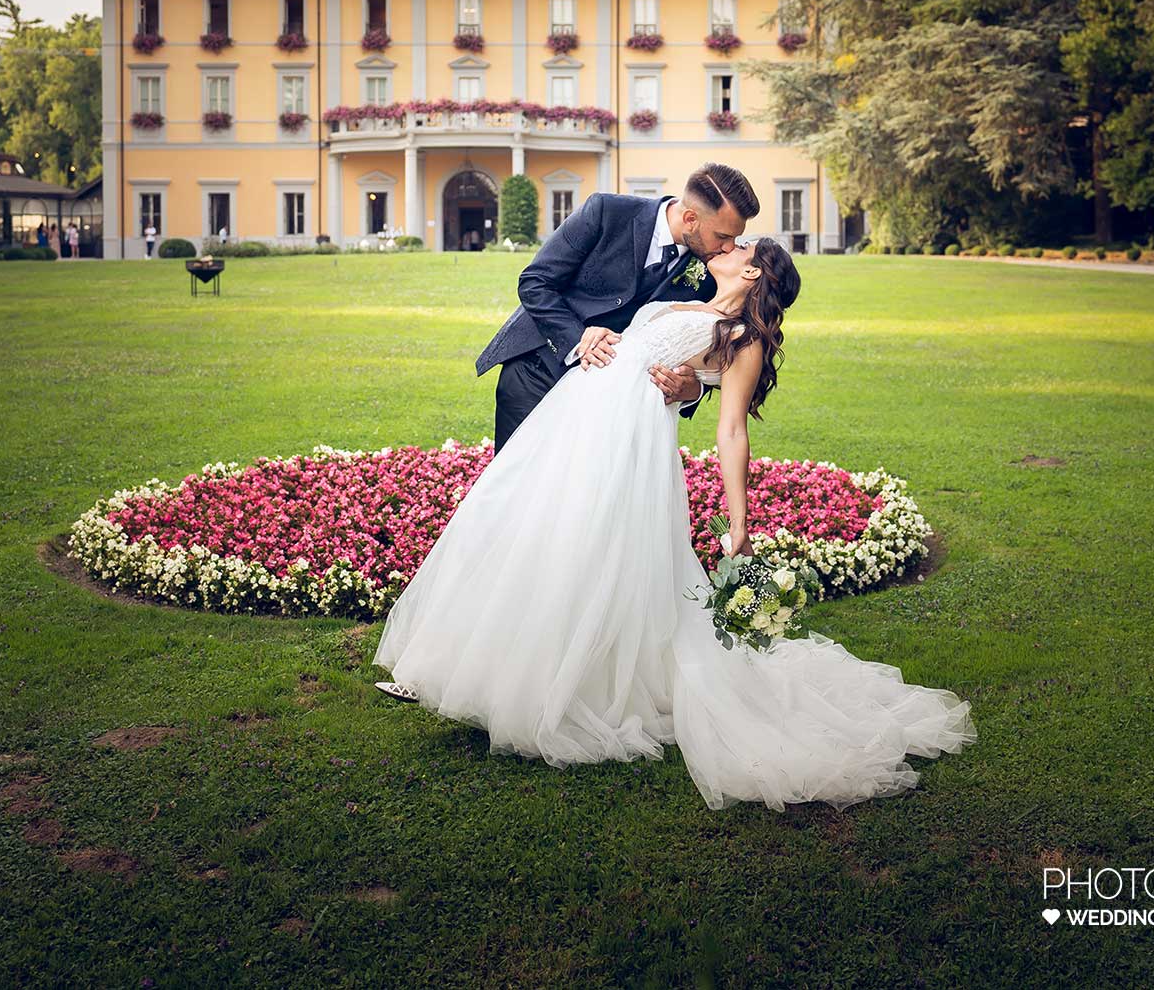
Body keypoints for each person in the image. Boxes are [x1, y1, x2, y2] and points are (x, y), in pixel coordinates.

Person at [372, 238, 976, 811]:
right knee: (519, 530)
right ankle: (469, 668)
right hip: (571, 425)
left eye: (742, 247)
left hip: (622, 449)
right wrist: (602, 337)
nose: (728, 247)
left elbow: (731, 429)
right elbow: (635, 345)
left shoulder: (741, 341)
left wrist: (739, 524)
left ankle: (551, 686)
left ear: (754, 273)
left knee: (581, 553)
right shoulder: (686, 298)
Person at [476, 163, 758, 454]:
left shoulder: (714, 270)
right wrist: (578, 339)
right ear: (690, 218)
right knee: (519, 487)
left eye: (735, 239)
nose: (729, 248)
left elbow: (710, 339)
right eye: (723, 237)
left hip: (611, 404)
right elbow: (535, 282)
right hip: (537, 372)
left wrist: (692, 391)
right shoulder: (606, 211)